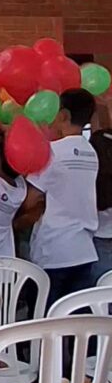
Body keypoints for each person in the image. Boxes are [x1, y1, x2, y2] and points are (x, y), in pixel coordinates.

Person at [17, 89, 100, 304]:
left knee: (45, 323)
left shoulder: (51, 152)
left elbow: (29, 200)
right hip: (83, 249)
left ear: (63, 115)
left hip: (54, 250)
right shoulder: (91, 152)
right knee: (76, 322)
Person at [88, 95, 112, 281]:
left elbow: (99, 145)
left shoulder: (97, 178)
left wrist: (95, 110)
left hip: (101, 237)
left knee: (100, 296)